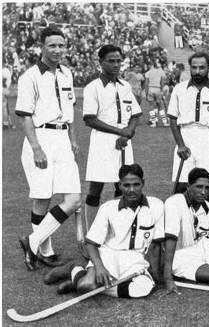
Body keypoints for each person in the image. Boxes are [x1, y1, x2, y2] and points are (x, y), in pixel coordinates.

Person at [15, 27, 81, 271]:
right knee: (42, 197)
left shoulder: (67, 74)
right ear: (41, 47)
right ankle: (46, 251)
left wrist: (73, 139)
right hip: (40, 138)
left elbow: (70, 112)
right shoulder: (29, 76)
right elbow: (25, 115)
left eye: (61, 45)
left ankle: (31, 241)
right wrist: (36, 148)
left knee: (73, 199)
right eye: (52, 45)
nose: (57, 50)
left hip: (62, 138)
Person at [49, 164, 164, 297]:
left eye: (136, 184)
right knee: (87, 285)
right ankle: (75, 268)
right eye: (126, 185)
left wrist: (157, 277)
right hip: (108, 255)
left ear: (143, 183)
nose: (132, 190)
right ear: (119, 185)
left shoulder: (157, 205)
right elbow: (91, 243)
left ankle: (80, 282)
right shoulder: (108, 207)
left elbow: (156, 244)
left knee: (141, 289)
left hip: (136, 259)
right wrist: (99, 267)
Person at [83, 45, 142, 231]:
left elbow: (135, 114)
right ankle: (92, 234)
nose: (116, 65)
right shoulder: (93, 87)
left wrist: (129, 132)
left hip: (125, 142)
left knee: (123, 185)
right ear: (101, 62)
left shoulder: (125, 86)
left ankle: (119, 229)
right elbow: (90, 119)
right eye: (111, 61)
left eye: (119, 61)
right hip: (102, 141)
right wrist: (120, 132)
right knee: (96, 188)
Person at [167, 52, 209, 194]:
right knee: (181, 185)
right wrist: (180, 145)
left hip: (208, 135)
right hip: (186, 136)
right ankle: (180, 215)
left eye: (202, 67)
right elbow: (173, 118)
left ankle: (203, 216)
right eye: (194, 68)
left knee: (204, 186)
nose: (197, 71)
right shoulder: (179, 89)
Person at [145, 61, 167, 126]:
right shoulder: (161, 72)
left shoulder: (148, 72)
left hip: (150, 89)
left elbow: (146, 84)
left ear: (152, 66)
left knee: (151, 106)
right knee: (160, 106)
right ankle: (165, 122)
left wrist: (146, 94)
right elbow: (162, 82)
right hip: (158, 89)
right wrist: (162, 91)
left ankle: (153, 122)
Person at [3, 61, 15, 128]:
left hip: (4, 89)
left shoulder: (4, 70)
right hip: (4, 89)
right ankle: (6, 124)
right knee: (5, 107)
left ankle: (5, 123)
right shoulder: (7, 71)